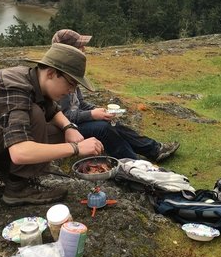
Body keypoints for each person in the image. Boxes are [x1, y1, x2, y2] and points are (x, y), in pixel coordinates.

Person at [0, 42, 105, 206]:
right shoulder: (13, 88)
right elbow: (20, 153)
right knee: (33, 114)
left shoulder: (32, 78)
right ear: (51, 73)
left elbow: (52, 110)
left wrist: (69, 128)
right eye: (71, 83)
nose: (72, 91)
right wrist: (76, 148)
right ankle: (18, 188)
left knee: (57, 131)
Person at [51, 29, 179, 162]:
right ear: (68, 50)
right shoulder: (59, 79)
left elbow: (81, 104)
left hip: (76, 122)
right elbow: (64, 116)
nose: (84, 48)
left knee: (111, 122)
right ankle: (134, 164)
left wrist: (99, 110)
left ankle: (154, 149)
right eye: (80, 46)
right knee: (103, 128)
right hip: (67, 130)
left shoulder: (71, 70)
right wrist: (92, 115)